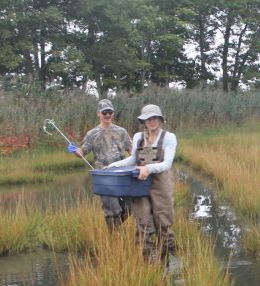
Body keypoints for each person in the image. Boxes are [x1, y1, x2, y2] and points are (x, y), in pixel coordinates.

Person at [106, 104, 178, 264]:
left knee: (163, 222)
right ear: (143, 121)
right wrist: (114, 165)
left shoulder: (168, 137)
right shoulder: (138, 137)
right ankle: (145, 262)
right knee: (142, 223)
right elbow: (133, 159)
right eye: (148, 119)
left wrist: (148, 168)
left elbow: (167, 163)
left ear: (160, 119)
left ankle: (168, 261)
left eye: (154, 118)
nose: (151, 121)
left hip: (161, 184)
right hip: (139, 184)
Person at [68, 99, 133, 231]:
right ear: (99, 113)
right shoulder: (92, 134)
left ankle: (116, 227)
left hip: (122, 175)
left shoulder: (121, 131)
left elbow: (132, 151)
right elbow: (82, 152)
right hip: (104, 178)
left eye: (110, 112)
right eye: (104, 112)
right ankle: (114, 237)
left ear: (113, 113)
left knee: (130, 206)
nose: (107, 115)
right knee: (112, 209)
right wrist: (74, 150)